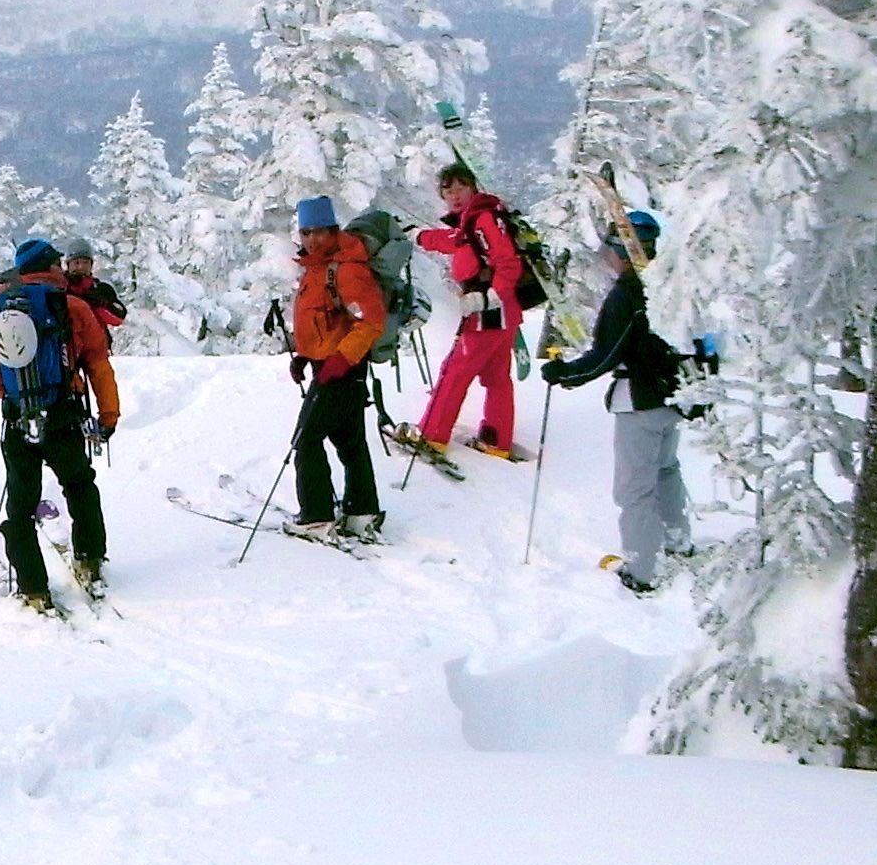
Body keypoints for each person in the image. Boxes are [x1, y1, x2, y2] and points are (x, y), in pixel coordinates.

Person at [543, 209, 689, 594]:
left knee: (634, 488)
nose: (606, 256)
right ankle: (678, 544)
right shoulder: (667, 285)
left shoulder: (628, 292)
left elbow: (607, 353)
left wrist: (565, 374)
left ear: (621, 250)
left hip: (639, 399)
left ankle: (641, 570)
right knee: (665, 470)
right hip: (674, 395)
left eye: (610, 247)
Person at [0, 234, 121, 611]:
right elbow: (98, 365)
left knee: (20, 507)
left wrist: (22, 399)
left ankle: (34, 589)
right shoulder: (71, 306)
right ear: (50, 265)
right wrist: (108, 416)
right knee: (78, 485)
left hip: (16, 420)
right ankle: (89, 559)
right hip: (62, 415)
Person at [285, 195, 389, 543]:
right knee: (349, 440)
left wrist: (341, 360)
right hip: (329, 365)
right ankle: (362, 511)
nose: (312, 238)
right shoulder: (318, 268)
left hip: (342, 369)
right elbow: (323, 322)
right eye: (306, 231)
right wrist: (304, 355)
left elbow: (371, 321)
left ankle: (315, 517)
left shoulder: (346, 268)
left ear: (333, 230)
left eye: (319, 231)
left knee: (307, 439)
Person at [408, 160, 526, 463]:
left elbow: (507, 263)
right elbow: (455, 242)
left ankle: (431, 436)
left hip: (488, 312)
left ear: (474, 187)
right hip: (502, 313)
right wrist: (418, 235)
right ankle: (496, 440)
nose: (455, 195)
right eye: (448, 191)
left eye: (461, 187)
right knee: (497, 377)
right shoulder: (473, 220)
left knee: (454, 371)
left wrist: (489, 298)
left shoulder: (482, 218)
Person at [58, 236, 128, 336]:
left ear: (91, 265)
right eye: (76, 262)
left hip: (96, 347)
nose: (81, 267)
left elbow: (118, 318)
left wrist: (98, 303)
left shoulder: (102, 289)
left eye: (85, 262)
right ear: (68, 265)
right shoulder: (59, 287)